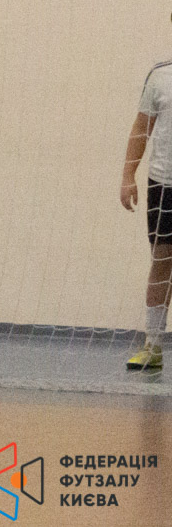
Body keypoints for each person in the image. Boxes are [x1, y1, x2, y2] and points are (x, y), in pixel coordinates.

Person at [121, 58, 172, 369]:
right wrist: (128, 176)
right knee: (162, 261)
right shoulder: (160, 75)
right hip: (163, 184)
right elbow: (141, 128)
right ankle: (152, 346)